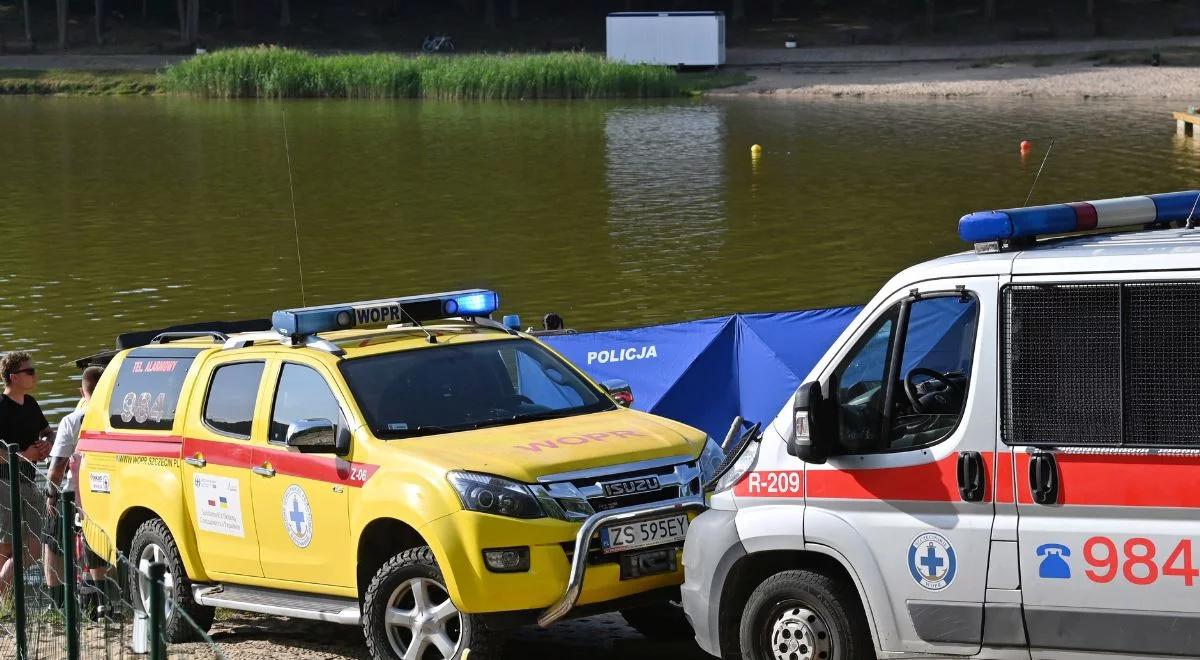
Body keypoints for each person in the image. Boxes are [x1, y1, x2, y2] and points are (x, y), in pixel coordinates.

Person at [44, 366, 108, 609]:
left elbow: (58, 464)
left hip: (72, 491)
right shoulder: (116, 415)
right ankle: (101, 601)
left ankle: (57, 601)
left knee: (53, 541)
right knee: (96, 540)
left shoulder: (73, 420)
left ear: (82, 390)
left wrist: (51, 494)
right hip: (104, 491)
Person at [0, 351, 52, 594]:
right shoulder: (1, 407)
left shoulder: (30, 403)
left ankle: (4, 593)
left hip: (28, 481)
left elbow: (47, 430)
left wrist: (47, 443)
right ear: (14, 377)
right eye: (29, 371)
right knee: (6, 548)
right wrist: (26, 456)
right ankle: (6, 601)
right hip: (4, 483)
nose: (35, 375)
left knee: (33, 544)